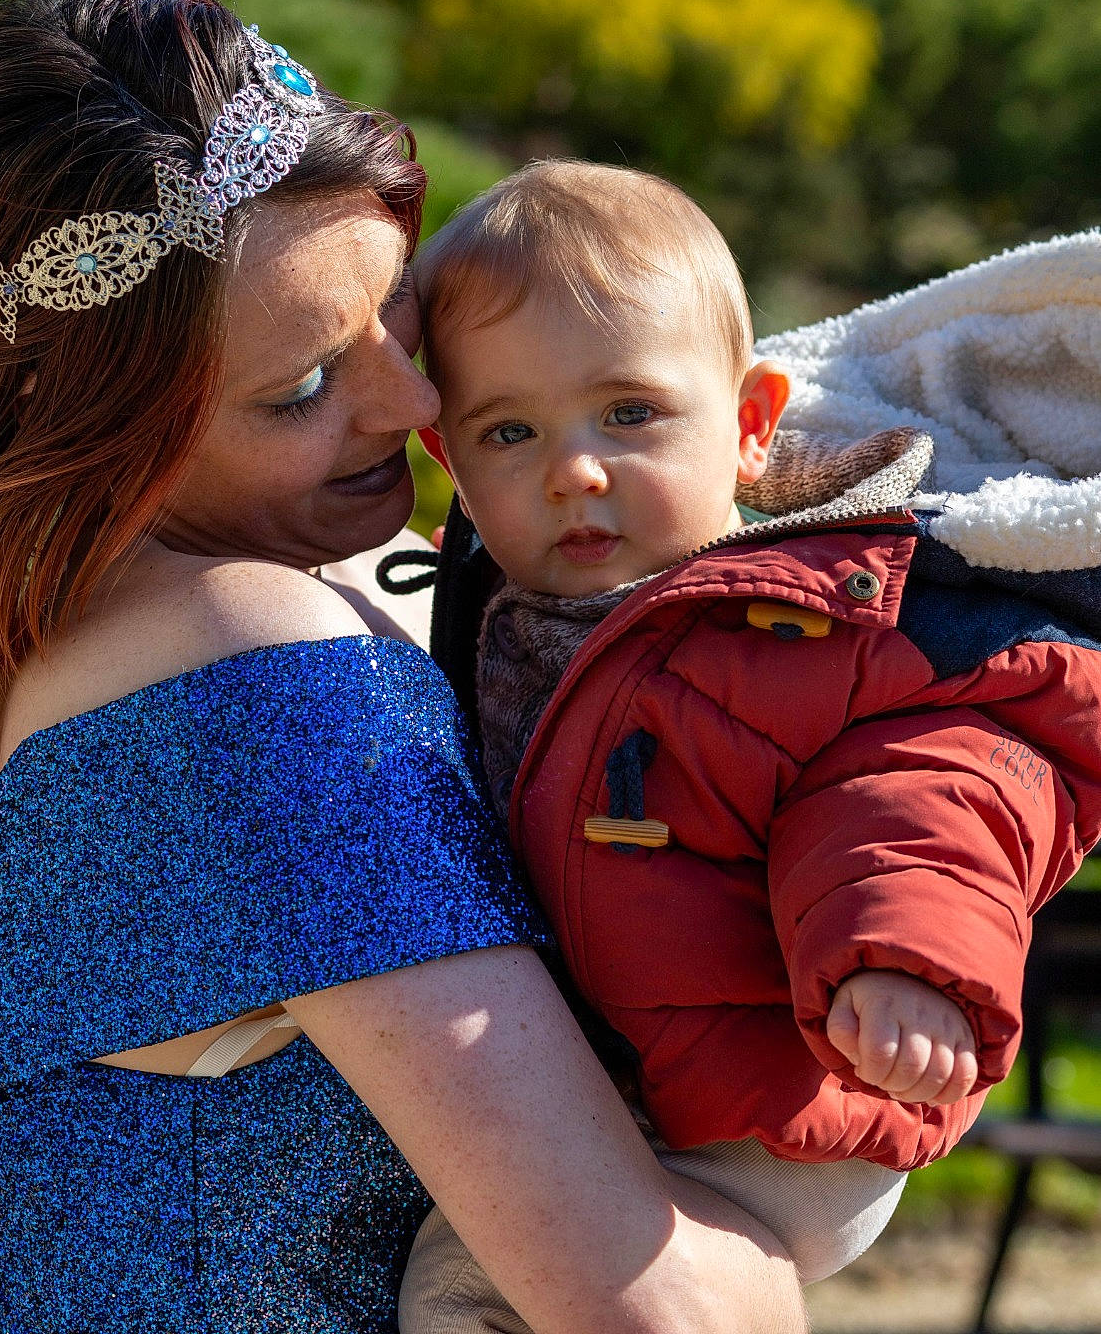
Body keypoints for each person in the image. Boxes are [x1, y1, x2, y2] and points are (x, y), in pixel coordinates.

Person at [0, 0, 805, 1334]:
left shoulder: (50, 685)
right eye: (301, 387)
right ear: (83, 418)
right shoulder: (243, 671)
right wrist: (811, 1213)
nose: (413, 402)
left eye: (395, 317)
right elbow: (654, 1310)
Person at [401, 159, 1101, 1332]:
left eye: (629, 412)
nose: (575, 466)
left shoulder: (817, 615)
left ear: (749, 425)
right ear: (457, 473)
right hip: (614, 1080)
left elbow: (940, 779)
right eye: (510, 430)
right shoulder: (497, 613)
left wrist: (903, 959)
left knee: (477, 1288)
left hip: (791, 1092)